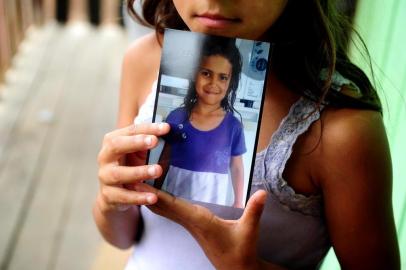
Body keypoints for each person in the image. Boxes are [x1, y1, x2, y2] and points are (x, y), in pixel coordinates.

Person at [93, 0, 400, 269]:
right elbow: (125, 237)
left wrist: (248, 268)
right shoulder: (145, 60)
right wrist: (110, 201)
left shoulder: (339, 130)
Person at [155, 37, 246, 208]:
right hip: (176, 203)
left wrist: (239, 202)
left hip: (213, 208)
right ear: (194, 74)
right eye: (206, 73)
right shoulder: (176, 117)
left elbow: (237, 167)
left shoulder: (234, 126)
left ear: (230, 82)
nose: (213, 83)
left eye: (223, 77)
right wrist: (156, 191)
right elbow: (165, 157)